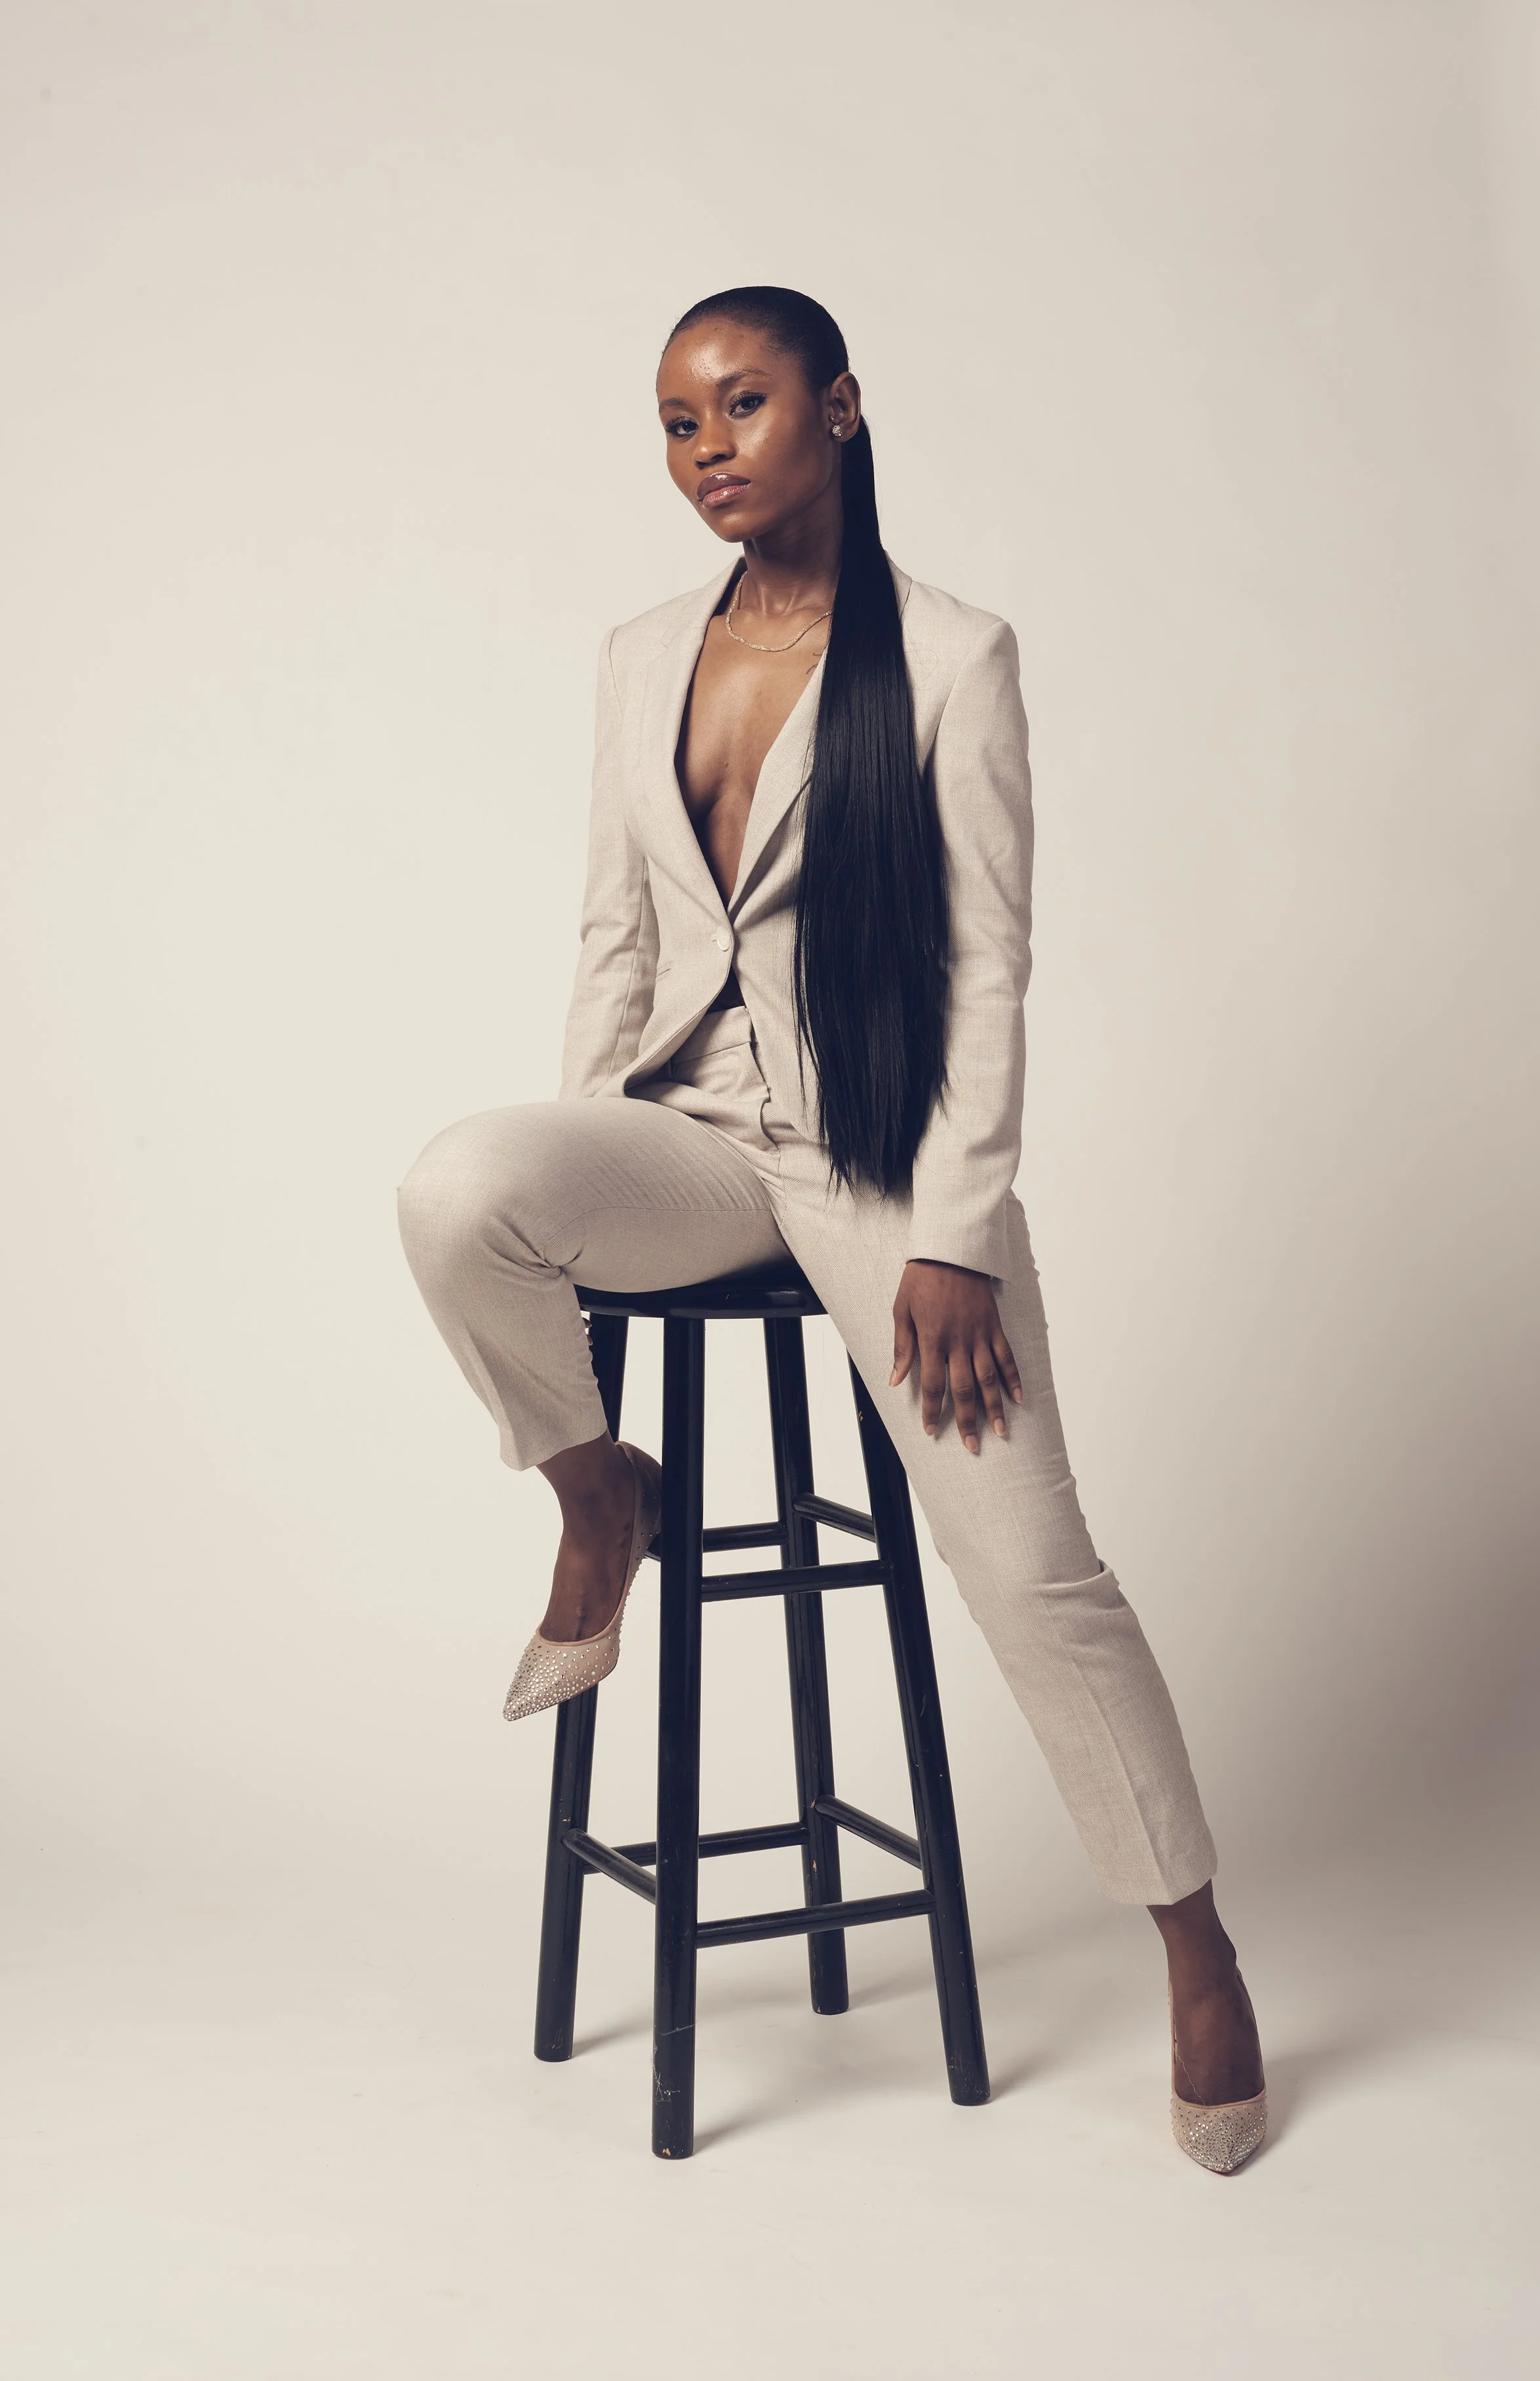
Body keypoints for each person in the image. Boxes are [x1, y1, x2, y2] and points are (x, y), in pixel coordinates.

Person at [398, 286, 1266, 2173]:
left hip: (880, 1172)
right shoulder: (641, 653)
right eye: (673, 420)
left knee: (1036, 1576)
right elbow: (615, 934)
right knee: (459, 1187)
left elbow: (986, 963)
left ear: (841, 409)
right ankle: (593, 1493)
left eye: (742, 404)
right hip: (687, 1141)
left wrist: (950, 1236)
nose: (707, 447)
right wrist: (575, 1146)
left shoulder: (950, 656)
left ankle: (1192, 1942)